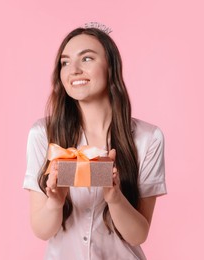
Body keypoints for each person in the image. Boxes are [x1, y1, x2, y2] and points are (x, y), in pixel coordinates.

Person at [23, 24, 167, 260]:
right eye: (65, 62)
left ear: (111, 67)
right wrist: (54, 203)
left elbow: (138, 235)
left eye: (87, 58)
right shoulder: (43, 134)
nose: (74, 70)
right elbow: (41, 230)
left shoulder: (147, 138)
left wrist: (115, 198)